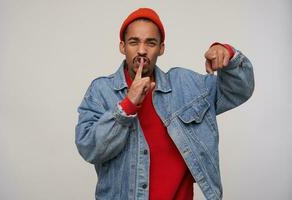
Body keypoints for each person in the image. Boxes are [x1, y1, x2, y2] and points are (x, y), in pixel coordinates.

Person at [75, 8, 254, 200]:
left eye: (150, 43)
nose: (142, 50)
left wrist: (228, 53)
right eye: (134, 42)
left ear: (161, 48)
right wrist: (127, 106)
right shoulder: (101, 90)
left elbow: (238, 90)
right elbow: (89, 148)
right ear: (122, 46)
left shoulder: (185, 86)